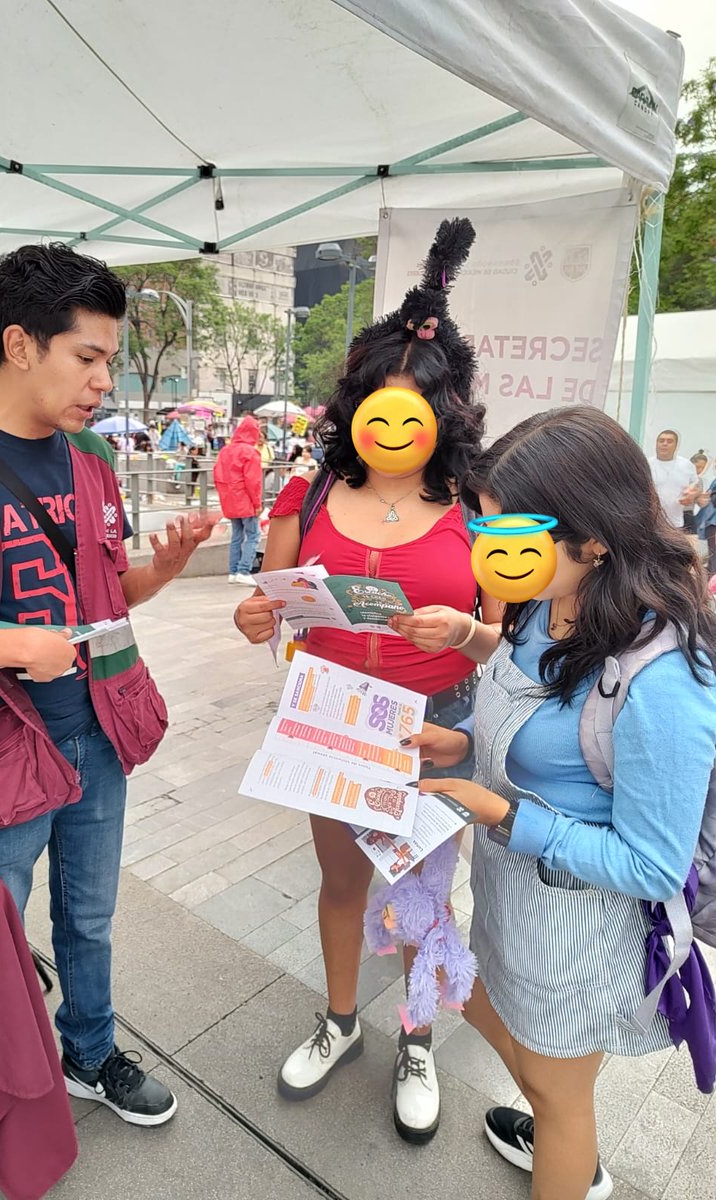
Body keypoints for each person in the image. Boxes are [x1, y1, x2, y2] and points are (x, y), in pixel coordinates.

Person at [0, 243, 218, 1173]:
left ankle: (88, 1052)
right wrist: (18, 645)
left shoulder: (95, 459)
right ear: (20, 344)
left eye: (109, 358)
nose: (104, 380)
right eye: (87, 358)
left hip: (94, 731)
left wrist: (165, 569)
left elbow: (108, 593)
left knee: (89, 916)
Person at [234, 218, 501, 1143]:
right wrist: (257, 619)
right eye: (376, 406)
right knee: (342, 881)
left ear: (446, 412)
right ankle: (343, 1020)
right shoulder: (305, 494)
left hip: (435, 720)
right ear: (353, 409)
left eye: (414, 408)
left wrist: (465, 626)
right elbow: (265, 608)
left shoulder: (479, 507)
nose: (393, 425)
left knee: (426, 884)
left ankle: (416, 1035)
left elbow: (502, 650)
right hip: (332, 716)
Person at [411, 406, 716, 1200]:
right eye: (483, 531)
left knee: (558, 1089)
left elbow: (653, 864)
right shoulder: (548, 599)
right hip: (515, 895)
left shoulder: (666, 680)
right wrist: (464, 736)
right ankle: (560, 1131)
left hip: (580, 927)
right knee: (483, 1007)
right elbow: (543, 695)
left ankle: (567, 1150)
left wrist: (505, 814)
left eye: (510, 535)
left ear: (595, 537)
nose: (490, 554)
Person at [213, 414, 263, 586]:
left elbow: (217, 475)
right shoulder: (250, 452)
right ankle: (244, 570)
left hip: (230, 499)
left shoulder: (225, 451)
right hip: (246, 500)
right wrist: (257, 504)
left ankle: (233, 571)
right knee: (253, 535)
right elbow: (253, 481)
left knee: (236, 536)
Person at [648, 429, 697, 531]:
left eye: (669, 441)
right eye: (661, 441)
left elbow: (696, 484)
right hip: (651, 523)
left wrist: (692, 494)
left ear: (676, 446)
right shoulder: (646, 464)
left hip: (676, 524)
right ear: (656, 444)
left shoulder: (686, 465)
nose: (664, 444)